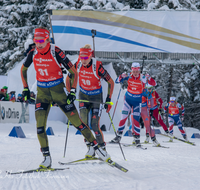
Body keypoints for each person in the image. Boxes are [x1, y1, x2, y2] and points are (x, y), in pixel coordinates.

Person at [20, 27, 111, 169]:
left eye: (41, 41)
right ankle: (46, 158)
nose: (39, 44)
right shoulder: (33, 53)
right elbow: (23, 69)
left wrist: (72, 91)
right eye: (36, 41)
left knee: (78, 123)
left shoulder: (56, 51)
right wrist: (25, 87)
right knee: (39, 128)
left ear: (48, 40)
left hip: (58, 91)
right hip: (42, 93)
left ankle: (97, 147)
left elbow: (73, 72)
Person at [66, 44, 114, 158]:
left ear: (90, 56)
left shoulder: (97, 66)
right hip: (83, 96)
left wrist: (108, 99)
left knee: (94, 124)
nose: (83, 60)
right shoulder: (77, 64)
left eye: (86, 58)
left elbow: (111, 82)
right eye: (81, 58)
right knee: (83, 124)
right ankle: (90, 148)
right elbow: (68, 78)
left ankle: (102, 148)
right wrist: (70, 93)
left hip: (96, 97)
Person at [110, 62, 156, 147]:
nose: (135, 73)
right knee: (123, 118)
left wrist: (149, 78)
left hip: (137, 103)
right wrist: (121, 76)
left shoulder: (143, 78)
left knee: (135, 120)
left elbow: (154, 84)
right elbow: (117, 81)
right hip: (128, 101)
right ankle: (118, 136)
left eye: (137, 71)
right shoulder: (128, 76)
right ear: (131, 70)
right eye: (134, 71)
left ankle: (137, 139)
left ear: (139, 70)